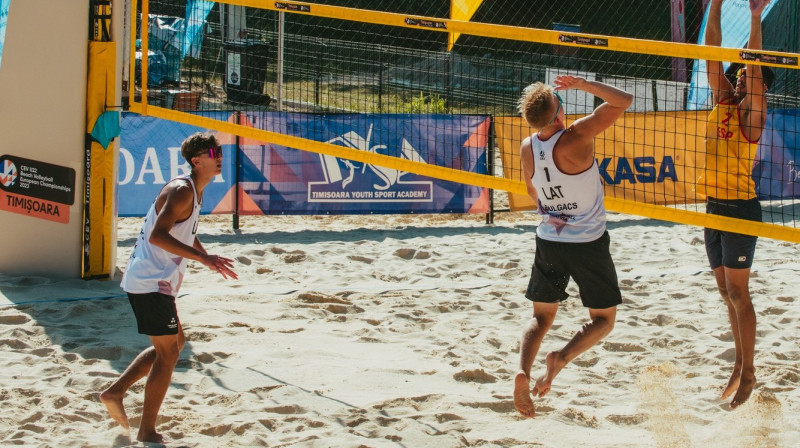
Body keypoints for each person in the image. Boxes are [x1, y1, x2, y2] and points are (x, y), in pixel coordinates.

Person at [100, 131, 238, 442]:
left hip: (157, 281)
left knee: (174, 347)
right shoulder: (182, 190)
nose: (220, 159)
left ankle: (115, 391)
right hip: (149, 281)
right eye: (214, 154)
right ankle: (146, 430)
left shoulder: (193, 190)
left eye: (220, 152)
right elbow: (158, 236)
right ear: (196, 160)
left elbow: (183, 231)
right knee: (167, 354)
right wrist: (204, 260)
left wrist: (204, 255)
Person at [513, 75, 632, 418]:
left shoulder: (527, 146)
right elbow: (623, 99)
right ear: (560, 112)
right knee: (604, 320)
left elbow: (533, 193)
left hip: (549, 237)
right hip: (587, 242)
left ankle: (522, 369)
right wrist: (582, 84)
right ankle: (561, 357)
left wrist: (556, 210)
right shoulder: (576, 136)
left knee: (540, 316)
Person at [697, 0, 773, 409]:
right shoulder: (724, 100)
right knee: (727, 292)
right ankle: (739, 365)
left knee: (740, 295)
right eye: (740, 74)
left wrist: (757, 16)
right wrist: (715, 5)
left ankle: (749, 372)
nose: (741, 77)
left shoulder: (753, 117)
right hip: (713, 206)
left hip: (741, 209)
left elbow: (756, 67)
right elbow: (712, 52)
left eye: (747, 76)